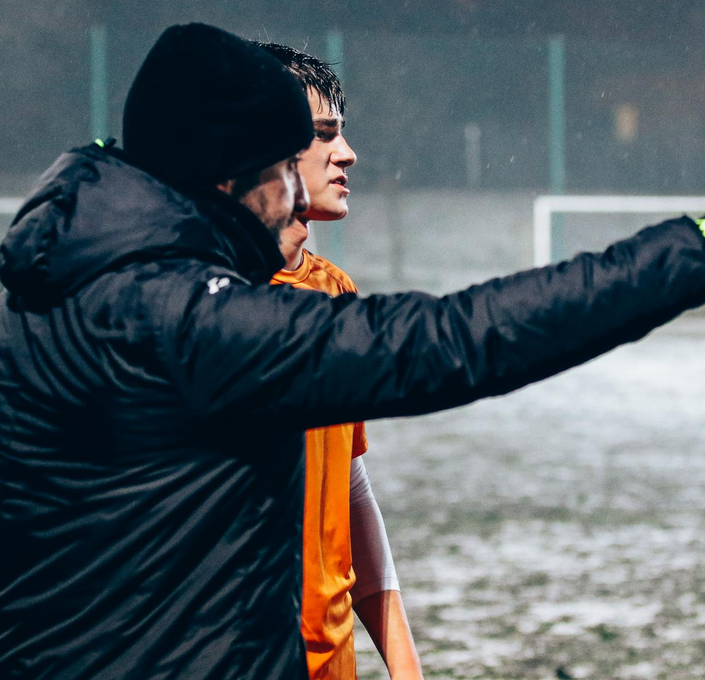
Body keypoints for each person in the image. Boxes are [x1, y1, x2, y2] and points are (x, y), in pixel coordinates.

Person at [0, 22, 705, 680]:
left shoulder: (4, 320)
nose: (298, 194)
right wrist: (699, 249)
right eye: (285, 169)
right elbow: (455, 340)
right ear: (227, 178)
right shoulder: (190, 325)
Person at [258, 42, 423, 680]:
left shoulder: (334, 292)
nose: (347, 153)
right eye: (323, 134)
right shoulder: (201, 301)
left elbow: (348, 487)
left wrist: (405, 664)